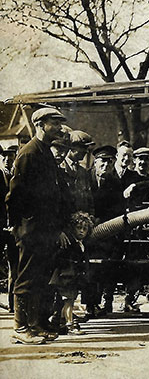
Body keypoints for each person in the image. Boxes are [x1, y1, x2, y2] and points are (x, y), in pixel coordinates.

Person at [6, 107, 70, 344]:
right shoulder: (29, 154)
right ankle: (21, 327)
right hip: (32, 232)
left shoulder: (44, 153)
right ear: (41, 124)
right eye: (55, 123)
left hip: (46, 231)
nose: (60, 128)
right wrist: (22, 229)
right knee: (27, 279)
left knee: (41, 278)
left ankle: (36, 324)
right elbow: (15, 197)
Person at [120, 147, 149, 312]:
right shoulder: (126, 178)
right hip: (129, 227)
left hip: (147, 228)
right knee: (129, 262)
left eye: (146, 160)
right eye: (140, 159)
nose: (143, 162)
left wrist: (137, 185)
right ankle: (117, 299)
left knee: (142, 263)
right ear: (134, 161)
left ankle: (132, 297)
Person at [87, 145, 126, 316]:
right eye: (102, 162)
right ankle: (90, 305)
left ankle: (106, 301)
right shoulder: (85, 178)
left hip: (107, 231)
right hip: (86, 230)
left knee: (107, 267)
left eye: (110, 163)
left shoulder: (115, 183)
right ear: (95, 162)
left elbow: (118, 208)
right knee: (88, 268)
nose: (106, 166)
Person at [49, 211, 93, 335]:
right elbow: (59, 259)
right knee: (69, 301)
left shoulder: (81, 244)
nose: (81, 231)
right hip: (65, 276)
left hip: (72, 277)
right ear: (72, 228)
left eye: (84, 229)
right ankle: (70, 324)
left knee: (64, 301)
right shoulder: (68, 243)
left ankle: (59, 322)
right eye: (79, 228)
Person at [62, 130, 95, 215]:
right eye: (83, 148)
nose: (86, 151)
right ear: (72, 148)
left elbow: (89, 200)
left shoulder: (83, 172)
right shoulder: (59, 168)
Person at [1, 144, 17, 313]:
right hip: (1, 227)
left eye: (11, 157)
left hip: (12, 228)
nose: (7, 160)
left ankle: (13, 305)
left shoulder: (16, 177)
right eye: (5, 158)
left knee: (15, 266)